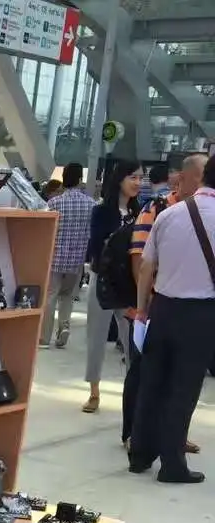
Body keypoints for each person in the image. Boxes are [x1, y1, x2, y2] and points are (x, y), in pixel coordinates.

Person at [127, 153, 215, 484]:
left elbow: (146, 266)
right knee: (183, 389)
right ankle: (172, 464)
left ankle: (140, 455)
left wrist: (142, 310)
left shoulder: (169, 213)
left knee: (152, 383)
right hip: (201, 314)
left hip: (162, 308)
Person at [81, 159, 143, 412]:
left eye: (140, 178)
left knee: (133, 341)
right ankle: (94, 391)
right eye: (133, 177)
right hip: (104, 281)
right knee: (96, 338)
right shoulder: (102, 211)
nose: (138, 183)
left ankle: (134, 392)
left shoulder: (140, 212)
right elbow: (95, 247)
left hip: (129, 284)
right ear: (120, 179)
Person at [40, 162, 94, 349]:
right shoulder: (91, 204)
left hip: (55, 257)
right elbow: (90, 233)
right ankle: (63, 327)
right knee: (67, 296)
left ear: (64, 179)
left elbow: (47, 231)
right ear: (80, 180)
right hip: (77, 259)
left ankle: (44, 338)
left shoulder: (54, 203)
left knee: (50, 296)